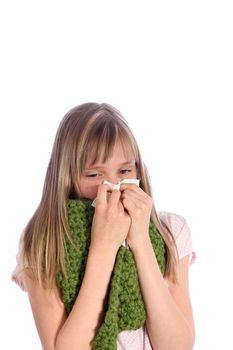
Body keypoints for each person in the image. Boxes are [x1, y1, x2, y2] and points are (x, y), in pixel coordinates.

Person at [12, 102, 196, 350]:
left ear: (138, 170)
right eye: (94, 175)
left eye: (124, 170)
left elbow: (177, 346)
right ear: (67, 178)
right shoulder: (45, 243)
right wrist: (104, 246)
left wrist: (140, 239)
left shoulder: (171, 232)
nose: (113, 185)